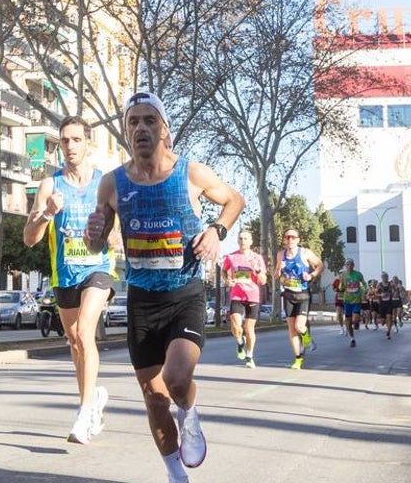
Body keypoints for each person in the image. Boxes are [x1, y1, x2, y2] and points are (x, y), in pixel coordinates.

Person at [85, 92, 245, 483]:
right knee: (154, 399)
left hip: (184, 294)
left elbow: (234, 200)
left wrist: (216, 230)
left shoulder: (190, 173)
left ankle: (190, 414)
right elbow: (95, 242)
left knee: (175, 381)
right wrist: (93, 233)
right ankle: (177, 477)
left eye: (149, 121)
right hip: (142, 300)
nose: (141, 128)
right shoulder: (112, 183)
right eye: (133, 122)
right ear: (126, 132)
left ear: (164, 129)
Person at [23, 115, 116, 444]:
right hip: (64, 274)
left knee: (84, 331)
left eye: (77, 140)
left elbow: (117, 232)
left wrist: (111, 236)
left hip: (99, 268)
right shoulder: (51, 184)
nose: (70, 146)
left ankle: (84, 412)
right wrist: (47, 213)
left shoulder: (105, 183)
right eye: (65, 140)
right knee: (75, 341)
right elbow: (29, 238)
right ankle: (91, 402)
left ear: (88, 144)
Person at [275, 227, 324, 368]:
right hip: (289, 294)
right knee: (292, 329)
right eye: (287, 237)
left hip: (303, 295)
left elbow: (320, 265)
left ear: (298, 239)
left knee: (299, 326)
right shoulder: (280, 254)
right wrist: (279, 267)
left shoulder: (304, 252)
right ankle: (298, 358)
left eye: (293, 237)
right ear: (284, 239)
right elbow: (276, 276)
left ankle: (308, 339)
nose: (290, 239)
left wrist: (311, 275)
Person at [221, 230, 268, 368]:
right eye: (240, 238)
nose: (243, 241)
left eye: (246, 238)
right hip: (237, 295)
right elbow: (224, 271)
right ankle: (240, 342)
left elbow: (263, 281)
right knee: (236, 325)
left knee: (249, 328)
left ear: (251, 241)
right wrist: (227, 280)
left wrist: (257, 270)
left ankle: (249, 356)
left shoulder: (257, 258)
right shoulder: (231, 257)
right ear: (237, 240)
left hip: (252, 296)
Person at [341, 260, 365, 347]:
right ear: (345, 266)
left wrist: (364, 290)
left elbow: (364, 283)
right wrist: (341, 287)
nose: (349, 266)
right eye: (348, 264)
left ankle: (357, 322)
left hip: (356, 300)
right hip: (347, 300)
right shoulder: (343, 275)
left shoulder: (358, 274)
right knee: (348, 321)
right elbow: (341, 286)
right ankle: (352, 338)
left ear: (354, 265)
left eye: (351, 264)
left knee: (355, 318)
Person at [332, 270, 345, 335]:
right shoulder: (336, 281)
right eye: (340, 273)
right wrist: (336, 289)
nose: (341, 274)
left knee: (348, 315)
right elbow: (333, 288)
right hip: (339, 299)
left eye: (343, 273)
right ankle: (341, 328)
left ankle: (348, 326)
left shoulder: (347, 281)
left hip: (347, 299)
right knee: (339, 314)